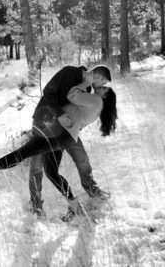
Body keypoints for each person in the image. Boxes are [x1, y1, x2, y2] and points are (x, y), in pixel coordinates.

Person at [0, 83, 117, 221]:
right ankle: (75, 206)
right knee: (51, 172)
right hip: (60, 134)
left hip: (58, 134)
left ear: (105, 96)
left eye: (104, 88)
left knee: (25, 152)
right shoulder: (96, 106)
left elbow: (73, 95)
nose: (100, 87)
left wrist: (84, 81)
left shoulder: (96, 100)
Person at [29, 64, 112, 216]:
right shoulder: (70, 72)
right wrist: (59, 114)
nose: (101, 86)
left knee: (82, 158)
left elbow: (78, 111)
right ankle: (36, 206)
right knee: (37, 167)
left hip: (65, 130)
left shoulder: (86, 88)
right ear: (98, 77)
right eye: (103, 82)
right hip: (45, 122)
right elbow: (48, 92)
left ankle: (92, 190)